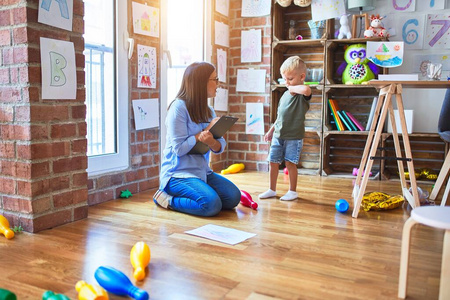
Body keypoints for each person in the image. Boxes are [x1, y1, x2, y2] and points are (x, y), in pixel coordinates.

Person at [153, 62, 241, 216]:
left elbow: (220, 145)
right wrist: (205, 131)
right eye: (215, 79)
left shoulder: (209, 110)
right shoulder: (178, 108)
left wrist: (211, 141)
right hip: (177, 174)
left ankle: (200, 192)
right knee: (211, 205)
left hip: (202, 172)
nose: (218, 84)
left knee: (233, 197)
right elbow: (179, 149)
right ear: (201, 83)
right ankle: (166, 199)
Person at [259, 56, 311, 201]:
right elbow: (280, 116)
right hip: (278, 135)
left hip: (294, 136)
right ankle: (271, 189)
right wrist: (271, 130)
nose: (287, 83)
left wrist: (293, 88)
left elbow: (306, 89)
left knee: (290, 163)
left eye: (290, 79)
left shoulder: (301, 95)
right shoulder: (285, 95)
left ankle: (292, 191)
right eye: (285, 80)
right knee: (273, 161)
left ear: (301, 77)